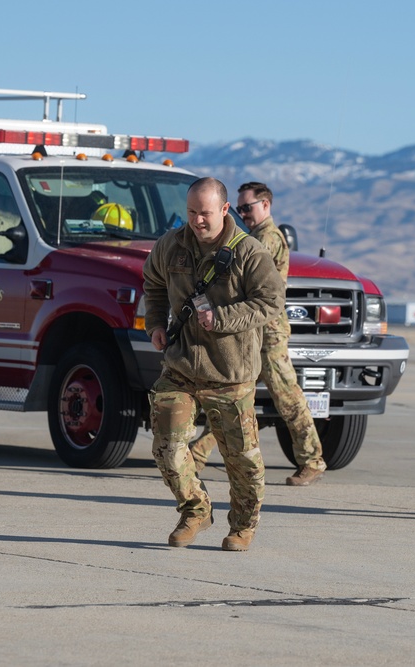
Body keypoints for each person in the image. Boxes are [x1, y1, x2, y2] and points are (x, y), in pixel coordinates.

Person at [142, 177, 284, 551]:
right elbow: (153, 284)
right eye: (191, 212)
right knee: (168, 447)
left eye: (204, 213)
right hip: (182, 366)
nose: (197, 221)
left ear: (224, 210)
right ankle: (195, 511)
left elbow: (270, 303)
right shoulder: (170, 247)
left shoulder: (250, 253)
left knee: (242, 462)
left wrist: (221, 318)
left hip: (230, 373)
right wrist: (155, 323)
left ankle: (243, 526)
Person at [189, 182, 328, 486]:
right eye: (238, 209)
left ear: (266, 205)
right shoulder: (252, 237)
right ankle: (197, 455)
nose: (243, 214)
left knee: (287, 398)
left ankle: (312, 459)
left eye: (247, 208)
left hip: (269, 334)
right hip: (250, 331)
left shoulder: (266, 239)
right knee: (235, 397)